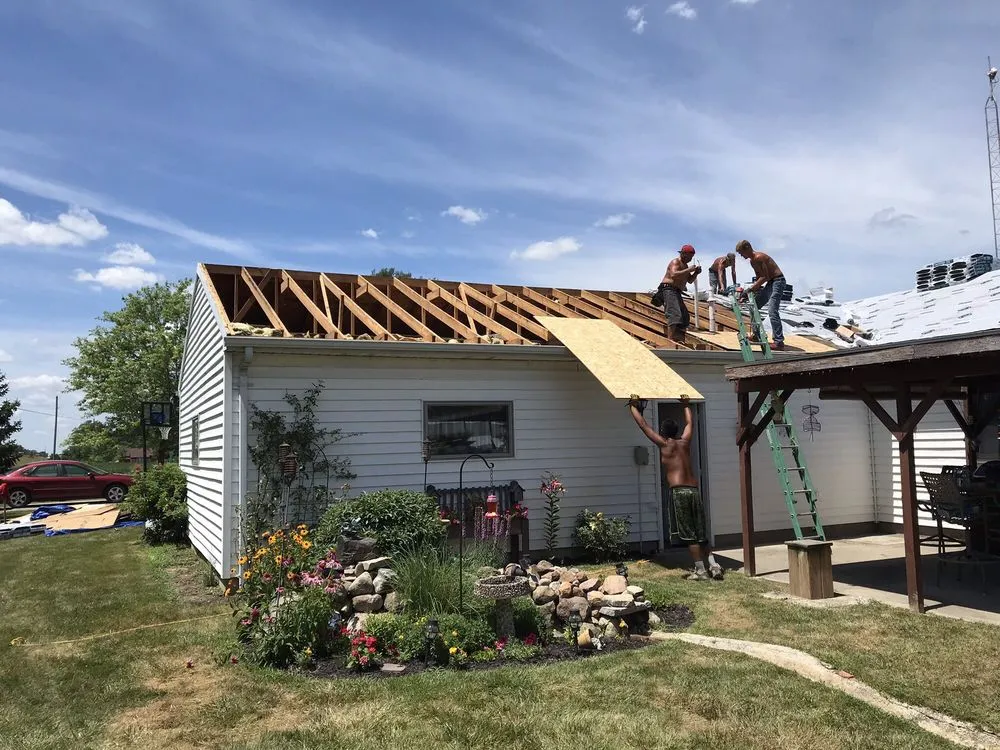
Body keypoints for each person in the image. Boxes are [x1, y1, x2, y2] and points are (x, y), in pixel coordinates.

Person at [627, 395, 724, 581]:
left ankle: (701, 571)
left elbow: (643, 426)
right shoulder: (685, 442)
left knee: (689, 533)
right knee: (700, 530)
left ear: (663, 432)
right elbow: (690, 424)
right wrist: (686, 404)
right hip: (694, 490)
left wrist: (633, 406)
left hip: (680, 492)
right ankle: (714, 565)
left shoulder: (664, 444)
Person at [735, 239, 787, 351]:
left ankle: (779, 342)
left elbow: (765, 277)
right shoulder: (752, 261)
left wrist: (749, 290)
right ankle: (756, 335)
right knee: (754, 307)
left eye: (741, 253)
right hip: (770, 283)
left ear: (747, 248)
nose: (741, 256)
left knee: (772, 311)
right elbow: (759, 278)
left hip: (778, 281)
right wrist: (751, 292)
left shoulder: (759, 257)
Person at [656, 244, 701, 344]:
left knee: (684, 317)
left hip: (676, 291)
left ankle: (679, 338)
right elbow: (673, 274)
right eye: (689, 257)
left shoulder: (685, 266)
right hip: (668, 289)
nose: (690, 259)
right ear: (684, 254)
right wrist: (689, 270)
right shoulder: (676, 262)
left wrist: (696, 273)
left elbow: (689, 280)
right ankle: (670, 339)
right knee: (674, 313)